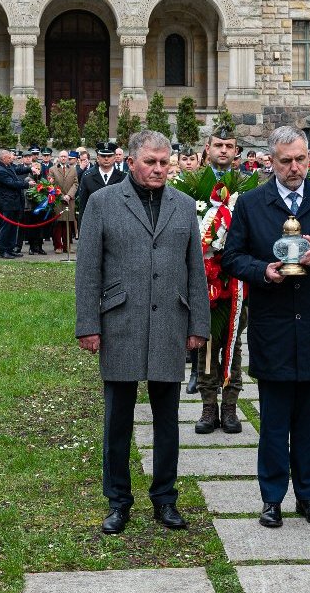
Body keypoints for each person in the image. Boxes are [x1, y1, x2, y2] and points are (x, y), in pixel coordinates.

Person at [221, 126, 310, 528]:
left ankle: (309, 496)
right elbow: (233, 258)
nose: (295, 167)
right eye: (286, 161)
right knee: (274, 419)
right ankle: (272, 498)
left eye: (301, 159)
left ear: (309, 159)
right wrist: (263, 270)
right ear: (271, 162)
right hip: (273, 324)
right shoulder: (251, 204)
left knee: (309, 419)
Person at [74, 130, 210, 534]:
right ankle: (118, 501)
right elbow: (88, 270)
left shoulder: (184, 205)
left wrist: (198, 325)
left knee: (167, 419)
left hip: (171, 321)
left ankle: (165, 500)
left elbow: (195, 272)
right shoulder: (102, 203)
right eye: (150, 162)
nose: (158, 169)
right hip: (121, 323)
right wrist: (88, 325)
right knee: (118, 419)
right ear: (130, 161)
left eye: (164, 162)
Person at [195, 127, 250, 434]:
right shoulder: (194, 185)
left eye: (229, 146)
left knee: (233, 344)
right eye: (218, 145)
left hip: (236, 281)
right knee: (205, 343)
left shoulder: (247, 186)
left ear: (236, 150)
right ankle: (207, 407)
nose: (224, 150)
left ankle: (229, 407)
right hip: (204, 279)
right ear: (208, 148)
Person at [75, 140, 124, 230]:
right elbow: (83, 206)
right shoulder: (87, 177)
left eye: (109, 156)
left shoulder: (123, 178)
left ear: (114, 158)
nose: (106, 158)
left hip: (117, 227)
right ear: (97, 158)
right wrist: (82, 229)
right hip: (94, 226)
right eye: (103, 156)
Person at [0, 145, 30, 259]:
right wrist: (27, 184)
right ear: (4, 158)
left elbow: (17, 169)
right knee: (7, 227)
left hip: (15, 201)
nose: (12, 159)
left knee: (13, 227)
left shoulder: (8, 166)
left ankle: (10, 249)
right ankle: (3, 251)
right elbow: (11, 183)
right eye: (10, 158)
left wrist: (29, 168)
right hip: (8, 202)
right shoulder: (0, 170)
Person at [49, 148, 78, 254]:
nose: (63, 158)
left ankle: (67, 247)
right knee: (58, 224)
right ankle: (58, 246)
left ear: (68, 158)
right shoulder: (53, 169)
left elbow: (75, 184)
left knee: (68, 224)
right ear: (59, 157)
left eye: (65, 156)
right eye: (61, 156)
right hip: (58, 200)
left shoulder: (73, 169)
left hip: (70, 200)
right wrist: (61, 196)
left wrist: (69, 195)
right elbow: (51, 185)